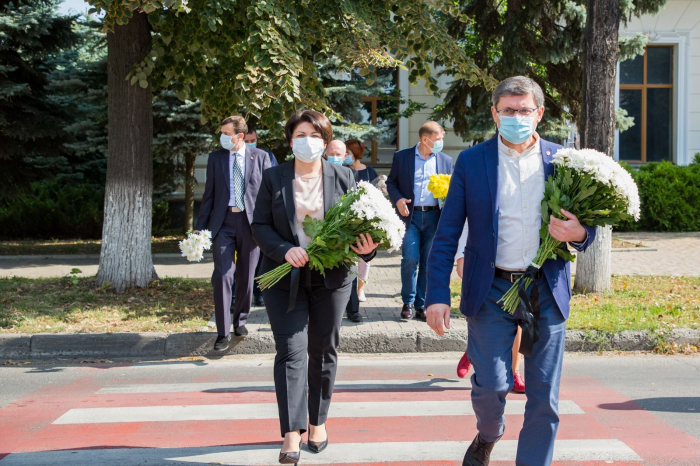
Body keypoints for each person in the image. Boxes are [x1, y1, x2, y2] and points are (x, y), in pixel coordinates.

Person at [424, 76, 596, 466]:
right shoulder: (473, 161)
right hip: (490, 288)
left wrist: (581, 232)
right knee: (492, 386)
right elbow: (448, 232)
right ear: (494, 114)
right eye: (508, 111)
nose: (517, 117)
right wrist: (436, 295)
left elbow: (590, 225)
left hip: (546, 289)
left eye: (525, 110)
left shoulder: (563, 162)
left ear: (539, 114)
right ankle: (489, 432)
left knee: (544, 395)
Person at [251, 110, 378, 465]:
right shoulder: (273, 177)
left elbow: (360, 224)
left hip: (333, 278)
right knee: (291, 351)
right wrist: (283, 249)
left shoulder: (343, 177)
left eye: (314, 134)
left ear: (325, 140)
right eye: (300, 134)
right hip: (283, 276)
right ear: (290, 140)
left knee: (324, 348)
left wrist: (368, 247)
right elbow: (259, 225)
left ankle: (317, 420)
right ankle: (292, 431)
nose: (307, 140)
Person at [195, 116, 274, 352]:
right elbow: (208, 194)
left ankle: (240, 320)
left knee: (246, 275)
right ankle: (222, 331)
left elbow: (269, 195)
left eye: (226, 133)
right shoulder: (215, 158)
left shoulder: (260, 158)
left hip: (251, 224)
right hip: (223, 223)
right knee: (222, 275)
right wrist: (200, 226)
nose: (222, 138)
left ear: (240, 136)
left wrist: (271, 225)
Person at [386, 121, 453, 321]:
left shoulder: (445, 160)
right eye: (439, 138)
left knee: (427, 262)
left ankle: (421, 305)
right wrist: (397, 199)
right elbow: (391, 182)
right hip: (410, 217)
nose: (442, 142)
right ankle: (407, 301)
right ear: (426, 139)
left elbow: (453, 187)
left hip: (434, 217)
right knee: (410, 259)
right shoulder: (402, 157)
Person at [454, 221, 525, 393]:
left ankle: (515, 371)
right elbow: (465, 219)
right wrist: (461, 256)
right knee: (477, 311)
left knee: (520, 321)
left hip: (519, 263)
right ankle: (473, 348)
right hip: (483, 258)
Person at [238, 127, 278, 308]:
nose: (249, 144)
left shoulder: (265, 155)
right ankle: (235, 296)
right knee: (241, 259)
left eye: (252, 140)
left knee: (261, 256)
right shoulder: (233, 157)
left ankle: (259, 292)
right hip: (239, 216)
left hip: (260, 213)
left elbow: (273, 182)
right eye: (245, 141)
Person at [345, 139, 378, 302]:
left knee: (364, 257)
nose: (345, 156)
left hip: (365, 219)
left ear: (356, 154)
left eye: (348, 153)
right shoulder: (343, 170)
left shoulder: (369, 171)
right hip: (347, 219)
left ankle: (361, 289)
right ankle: (348, 291)